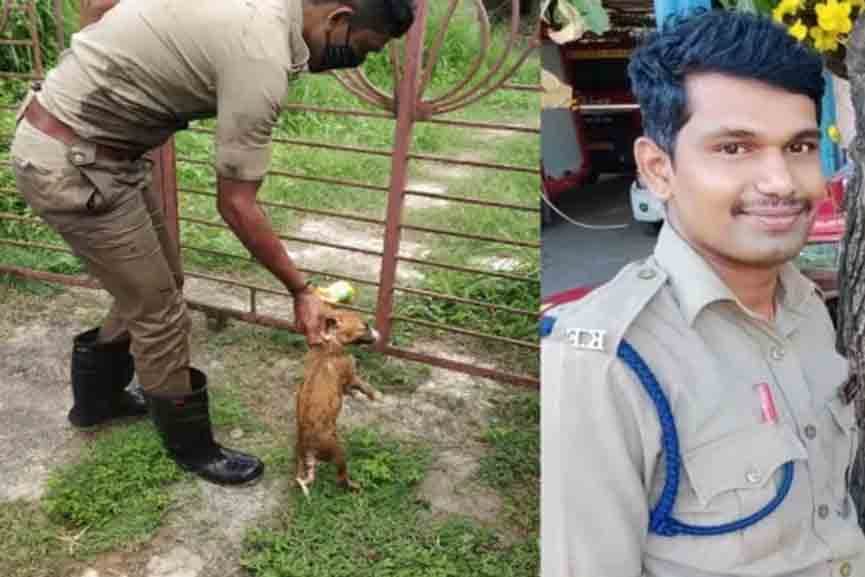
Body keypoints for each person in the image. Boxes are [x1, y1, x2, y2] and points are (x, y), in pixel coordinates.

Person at [9, 0, 414, 486]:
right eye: (364, 48)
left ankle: (99, 402)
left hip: (105, 152)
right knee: (160, 312)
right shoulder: (261, 54)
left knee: (161, 283)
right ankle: (192, 448)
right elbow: (237, 204)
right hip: (73, 161)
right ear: (338, 19)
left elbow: (100, 4)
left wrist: (103, 64)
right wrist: (300, 290)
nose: (359, 61)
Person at [541, 9, 865, 577]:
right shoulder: (603, 363)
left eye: (799, 147)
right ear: (657, 168)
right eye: (734, 149)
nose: (782, 182)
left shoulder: (805, 307)